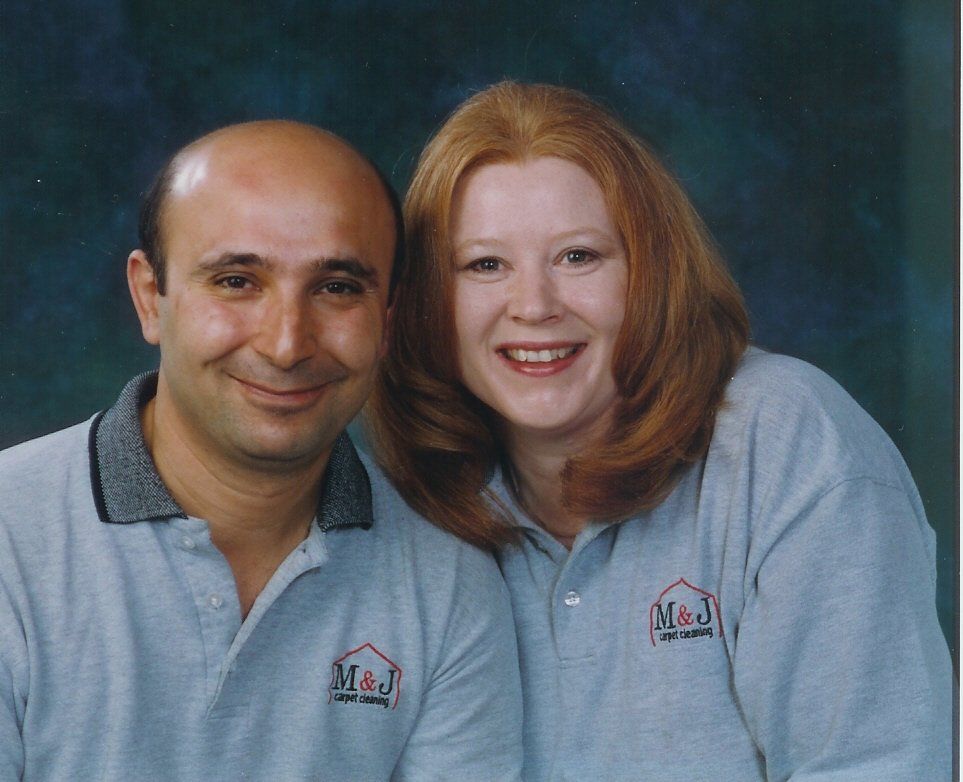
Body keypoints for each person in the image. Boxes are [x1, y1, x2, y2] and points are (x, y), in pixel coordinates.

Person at [367, 82, 953, 780]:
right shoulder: (408, 506)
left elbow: (873, 764)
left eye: (577, 256)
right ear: (429, 300)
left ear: (650, 270)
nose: (533, 306)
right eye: (484, 265)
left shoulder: (786, 438)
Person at [0, 120, 523, 780]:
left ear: (387, 319)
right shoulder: (9, 538)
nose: (286, 344)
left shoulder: (448, 591)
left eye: (337, 287)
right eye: (236, 281)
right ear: (149, 297)